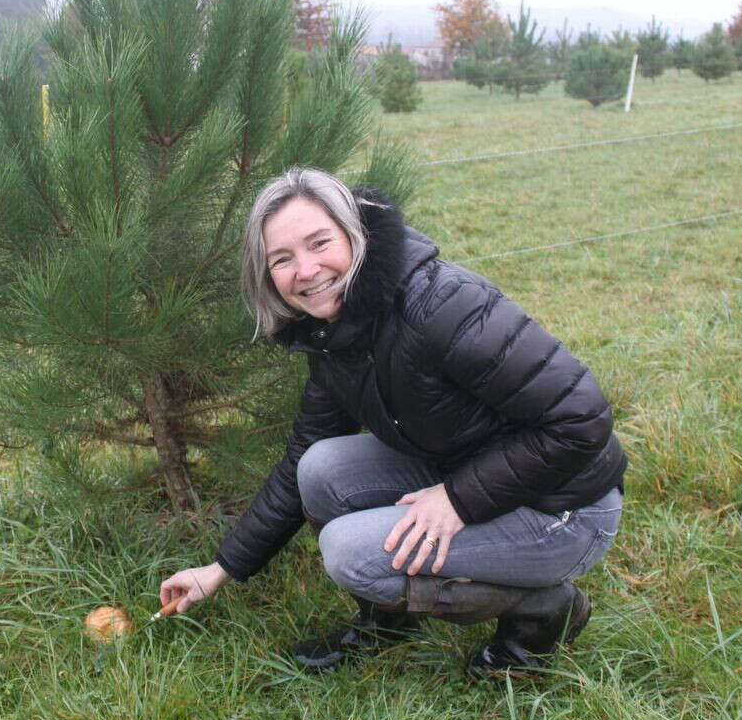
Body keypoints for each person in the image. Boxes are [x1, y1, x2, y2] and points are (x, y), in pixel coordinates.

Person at [159, 168, 625, 675]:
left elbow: (581, 421)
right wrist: (221, 569)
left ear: (355, 233)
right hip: (469, 466)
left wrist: (458, 500)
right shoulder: (334, 333)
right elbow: (301, 459)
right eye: (283, 259)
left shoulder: (440, 305)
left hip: (566, 506)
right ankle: (391, 616)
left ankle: (541, 611)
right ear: (266, 275)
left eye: (320, 243)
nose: (307, 270)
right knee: (318, 468)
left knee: (349, 552)